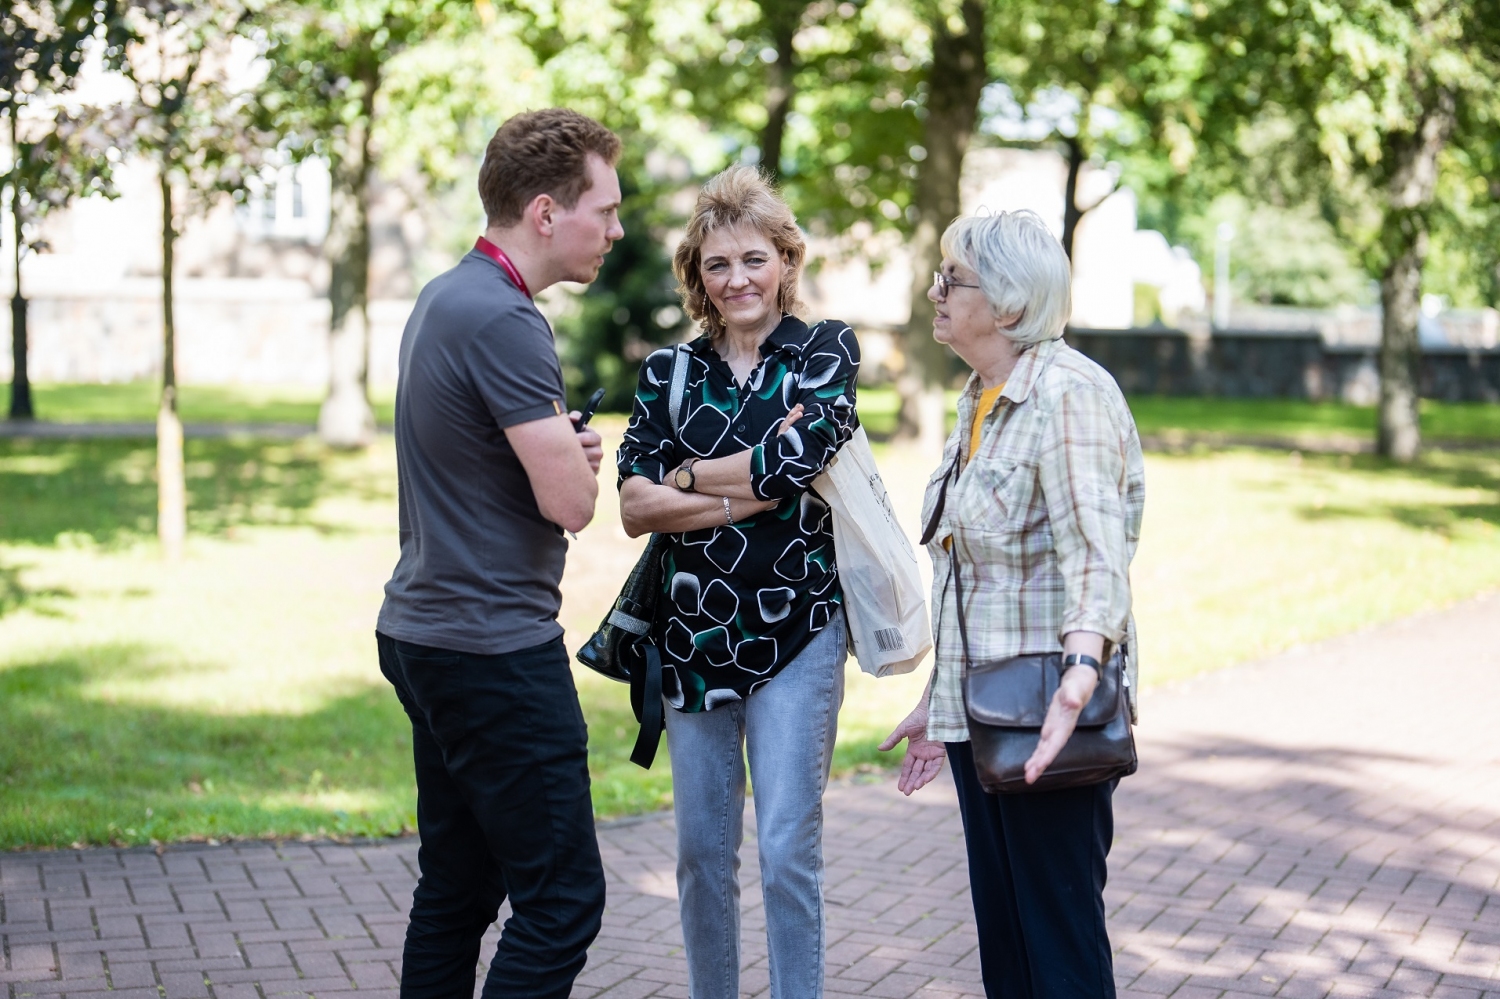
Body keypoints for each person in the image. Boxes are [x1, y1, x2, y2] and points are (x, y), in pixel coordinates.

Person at [374, 108, 624, 999]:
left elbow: (482, 459)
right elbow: (571, 503)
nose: (617, 229)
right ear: (548, 212)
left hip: (423, 631)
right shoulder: (508, 320)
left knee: (459, 886)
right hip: (491, 649)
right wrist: (570, 459)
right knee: (562, 898)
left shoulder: (448, 294)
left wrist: (554, 439)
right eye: (606, 209)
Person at [879, 210, 1146, 999]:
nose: (934, 289)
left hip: (1051, 713)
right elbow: (972, 570)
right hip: (985, 712)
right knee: (1008, 940)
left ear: (1008, 303)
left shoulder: (1068, 396)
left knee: (1057, 944)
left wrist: (1079, 672)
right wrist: (938, 700)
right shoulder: (980, 398)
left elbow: (1098, 554)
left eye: (950, 279)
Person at [615, 165, 861, 999]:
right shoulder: (667, 376)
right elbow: (633, 508)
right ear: (698, 277)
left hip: (800, 634)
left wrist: (685, 477)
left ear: (786, 260)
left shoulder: (825, 351)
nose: (738, 279)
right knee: (700, 855)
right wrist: (741, 488)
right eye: (717, 265)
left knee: (788, 846)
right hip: (695, 642)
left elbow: (801, 459)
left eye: (754, 259)